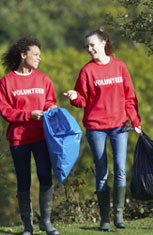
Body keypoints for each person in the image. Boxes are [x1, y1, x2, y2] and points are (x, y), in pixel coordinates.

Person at [64, 28, 141, 231]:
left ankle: (118, 216)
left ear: (104, 43)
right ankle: (104, 219)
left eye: (92, 45)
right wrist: (74, 97)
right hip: (96, 127)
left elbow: (130, 96)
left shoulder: (120, 67)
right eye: (87, 46)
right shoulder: (87, 71)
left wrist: (135, 120)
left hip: (119, 126)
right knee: (102, 172)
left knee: (121, 169)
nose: (89, 49)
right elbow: (82, 100)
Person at [0, 37, 59, 235]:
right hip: (18, 139)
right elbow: (5, 111)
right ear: (23, 55)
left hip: (42, 137)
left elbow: (50, 100)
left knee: (45, 176)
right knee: (23, 181)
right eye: (35, 54)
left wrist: (51, 108)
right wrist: (28, 115)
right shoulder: (6, 82)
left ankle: (46, 222)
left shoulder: (44, 79)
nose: (39, 58)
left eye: (39, 55)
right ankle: (27, 226)